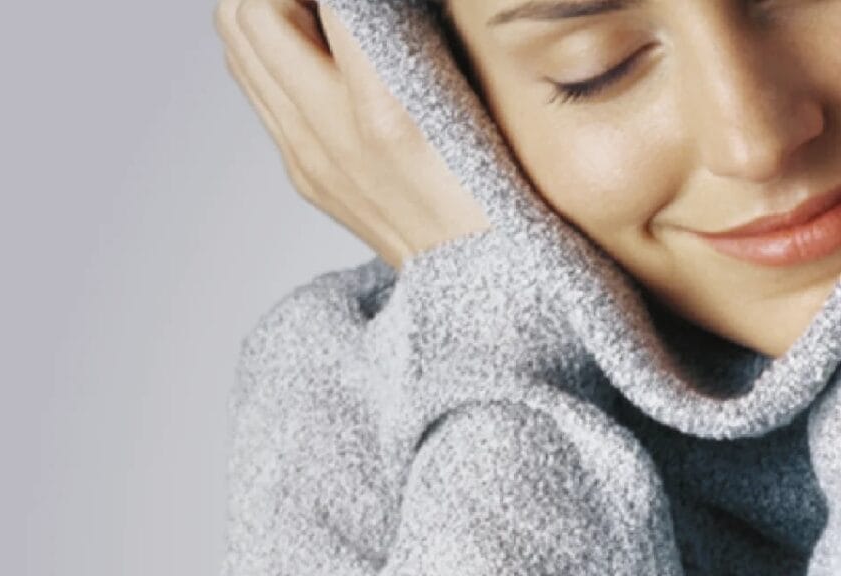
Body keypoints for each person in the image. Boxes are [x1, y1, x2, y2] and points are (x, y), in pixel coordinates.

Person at [214, 0, 841, 573]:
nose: (757, 144)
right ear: (442, 85)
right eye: (598, 69)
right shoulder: (334, 406)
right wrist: (482, 327)